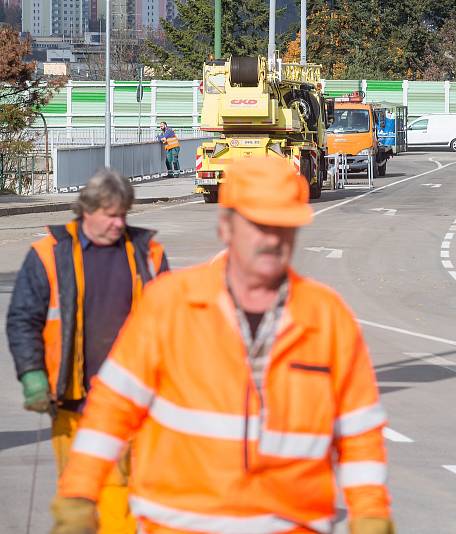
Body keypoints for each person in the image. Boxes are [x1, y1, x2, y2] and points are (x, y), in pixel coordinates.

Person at [50, 157, 394, 534]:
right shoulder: (171, 305)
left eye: (283, 226)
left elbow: (359, 431)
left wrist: (370, 514)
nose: (271, 238)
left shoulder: (326, 318)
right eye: (258, 225)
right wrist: (79, 494)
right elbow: (111, 409)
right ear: (226, 227)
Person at [7, 169, 169, 534]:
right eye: (111, 215)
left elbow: (175, 326)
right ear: (87, 211)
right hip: (72, 403)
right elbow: (23, 318)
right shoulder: (49, 254)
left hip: (131, 406)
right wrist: (32, 374)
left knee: (121, 502)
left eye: (124, 215)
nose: (119, 223)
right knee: (77, 504)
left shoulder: (147, 254)